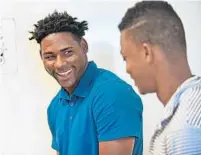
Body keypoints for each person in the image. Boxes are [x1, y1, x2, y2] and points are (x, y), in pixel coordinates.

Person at [29, 11, 143, 155]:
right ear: (42, 57)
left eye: (68, 52)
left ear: (84, 46)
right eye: (50, 56)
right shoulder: (55, 106)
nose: (59, 64)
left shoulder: (112, 94)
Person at [118, 1, 201, 155]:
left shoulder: (185, 130)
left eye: (126, 58)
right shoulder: (190, 109)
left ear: (147, 52)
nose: (127, 69)